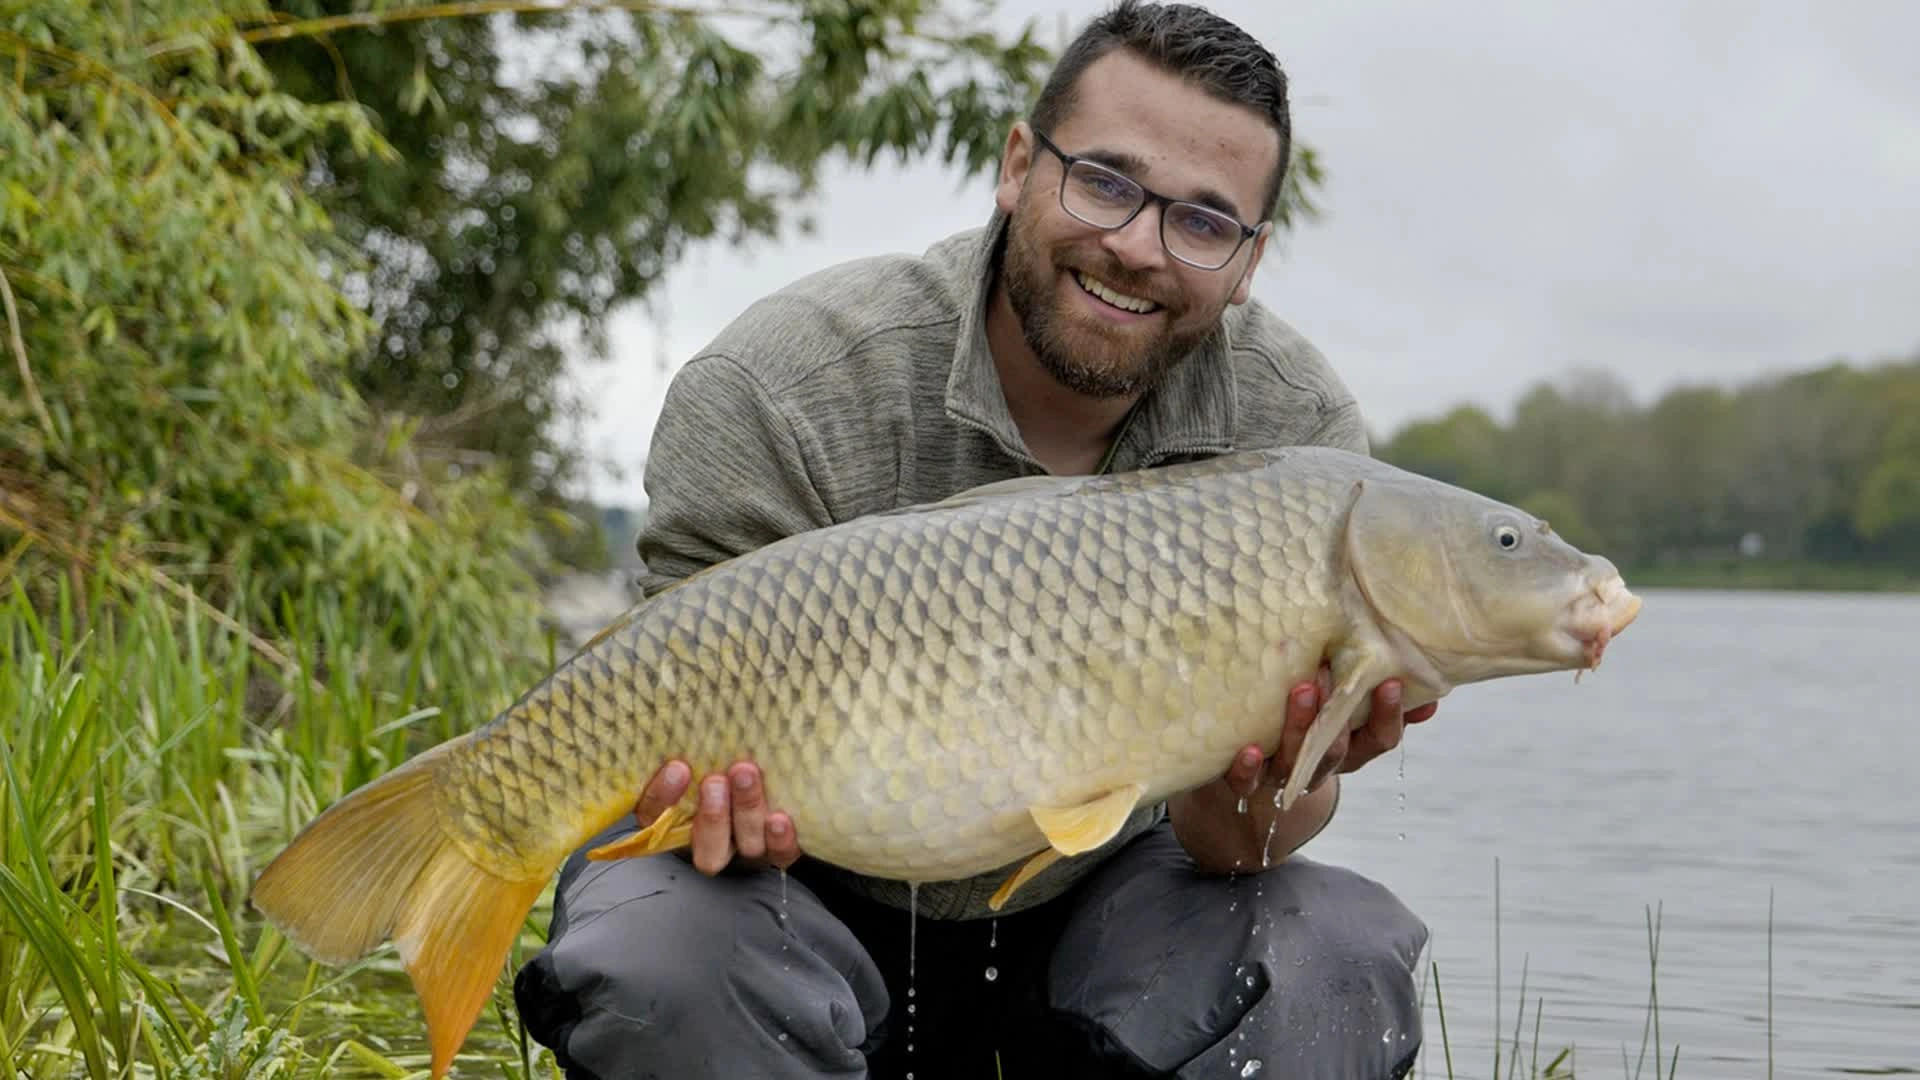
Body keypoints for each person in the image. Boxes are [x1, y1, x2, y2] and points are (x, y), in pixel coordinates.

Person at [514, 3, 1436, 1076]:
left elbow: (1236, 849)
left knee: (1332, 946)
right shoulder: (781, 382)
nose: (1138, 247)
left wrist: (1277, 785)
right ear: (1015, 165)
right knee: (660, 952)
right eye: (1104, 182)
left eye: (1202, 221)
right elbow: (673, 701)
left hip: (1103, 911)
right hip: (787, 890)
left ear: (1248, 259)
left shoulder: (1299, 443)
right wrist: (700, 808)